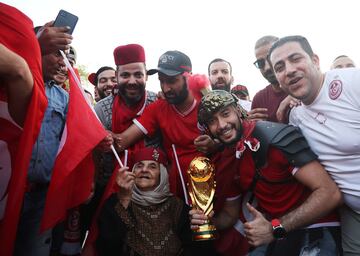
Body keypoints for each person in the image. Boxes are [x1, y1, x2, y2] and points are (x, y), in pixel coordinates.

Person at [192, 90, 342, 255]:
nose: (221, 125)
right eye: (212, 121)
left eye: (225, 113)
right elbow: (229, 215)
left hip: (316, 227)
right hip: (279, 233)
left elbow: (330, 193)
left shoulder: (273, 138)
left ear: (238, 111)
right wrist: (206, 222)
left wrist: (274, 228)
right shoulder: (230, 157)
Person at [268, 35, 360, 256]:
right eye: (280, 67)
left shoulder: (352, 82)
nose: (289, 70)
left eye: (295, 58)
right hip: (353, 215)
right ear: (278, 80)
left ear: (315, 60)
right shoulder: (295, 117)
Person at [116, 50, 212, 200]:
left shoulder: (209, 103)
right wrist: (97, 132)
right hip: (175, 196)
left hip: (211, 190)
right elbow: (121, 142)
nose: (166, 88)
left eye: (172, 81)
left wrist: (216, 144)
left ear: (189, 77)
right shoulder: (158, 108)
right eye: (162, 80)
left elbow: (236, 140)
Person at [14, 25, 71, 256]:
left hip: (42, 199)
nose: (62, 62)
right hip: (9, 193)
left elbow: (69, 142)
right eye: (56, 53)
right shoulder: (12, 82)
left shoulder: (64, 98)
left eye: (64, 56)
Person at [96, 147, 210, 256]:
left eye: (152, 167)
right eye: (139, 166)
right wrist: (125, 199)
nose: (144, 170)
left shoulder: (177, 205)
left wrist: (202, 226)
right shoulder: (116, 201)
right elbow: (107, 246)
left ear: (162, 174)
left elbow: (199, 247)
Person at [249, 36, 288, 122]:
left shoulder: (303, 86)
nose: (267, 67)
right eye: (260, 63)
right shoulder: (259, 99)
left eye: (271, 58)